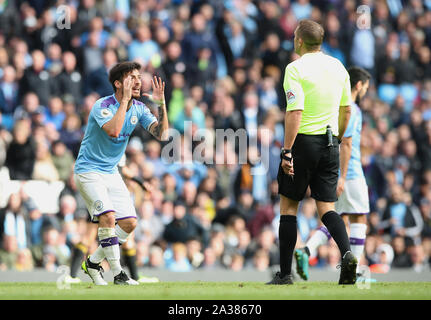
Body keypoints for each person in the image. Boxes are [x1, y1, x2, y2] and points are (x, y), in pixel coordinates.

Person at [267, 19, 355, 285]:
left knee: (289, 206)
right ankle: (348, 255)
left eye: (295, 36)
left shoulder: (295, 69)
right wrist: (337, 138)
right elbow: (347, 109)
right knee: (327, 208)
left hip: (303, 142)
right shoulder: (338, 67)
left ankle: (284, 275)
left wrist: (286, 150)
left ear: (300, 41)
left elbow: (294, 111)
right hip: (330, 143)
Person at [73, 61, 168, 285]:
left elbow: (162, 135)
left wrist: (161, 104)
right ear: (118, 83)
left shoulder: (140, 108)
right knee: (108, 217)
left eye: (138, 76)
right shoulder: (102, 105)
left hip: (111, 172)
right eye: (131, 77)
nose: (138, 81)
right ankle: (118, 275)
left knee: (129, 223)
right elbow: (115, 131)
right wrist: (124, 100)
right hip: (89, 170)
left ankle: (93, 264)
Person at [294, 66, 372, 281]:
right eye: (365, 87)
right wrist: (344, 175)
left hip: (329, 170)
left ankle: (306, 250)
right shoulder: (351, 109)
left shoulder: (333, 106)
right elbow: (346, 143)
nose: (365, 91)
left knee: (336, 218)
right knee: (359, 218)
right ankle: (353, 272)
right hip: (350, 172)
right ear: (358, 85)